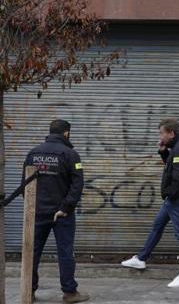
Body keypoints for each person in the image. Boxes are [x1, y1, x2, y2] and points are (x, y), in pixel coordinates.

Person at [121, 118, 179, 288]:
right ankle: (141, 259)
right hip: (173, 199)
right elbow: (173, 168)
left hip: (178, 200)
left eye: (162, 133)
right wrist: (163, 152)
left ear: (172, 133)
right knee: (157, 226)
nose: (160, 137)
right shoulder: (177, 147)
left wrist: (169, 194)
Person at [23, 119, 89, 304]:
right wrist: (65, 208)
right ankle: (69, 292)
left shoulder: (33, 153)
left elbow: (24, 185)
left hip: (36, 212)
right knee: (65, 252)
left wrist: (32, 206)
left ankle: (28, 291)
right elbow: (77, 184)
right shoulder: (71, 154)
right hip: (62, 214)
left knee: (32, 251)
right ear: (66, 133)